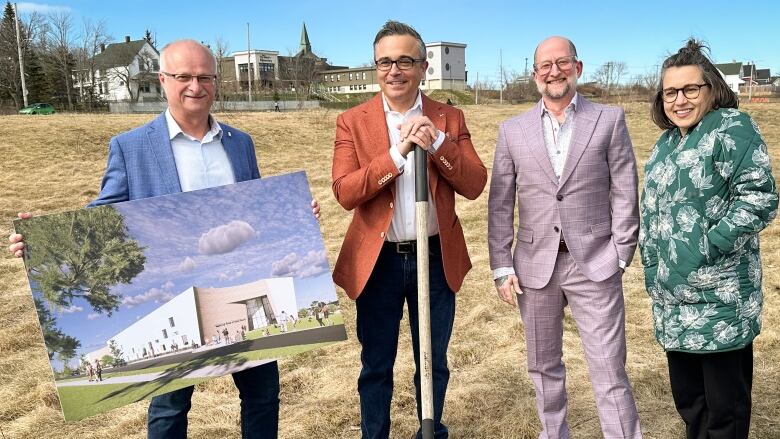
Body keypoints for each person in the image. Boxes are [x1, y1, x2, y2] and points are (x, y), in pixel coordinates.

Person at [8, 39, 320, 439]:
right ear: (163, 79)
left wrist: (295, 215)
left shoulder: (239, 143)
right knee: (170, 405)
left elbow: (254, 205)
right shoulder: (131, 146)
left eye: (205, 76)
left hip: (239, 280)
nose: (196, 85)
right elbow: (105, 212)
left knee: (263, 394)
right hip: (174, 290)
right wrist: (44, 239)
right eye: (183, 76)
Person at [332, 21, 486, 439]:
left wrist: (437, 143)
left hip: (435, 257)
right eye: (385, 61)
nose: (394, 70)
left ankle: (429, 431)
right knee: (376, 363)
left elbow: (474, 184)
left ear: (423, 66)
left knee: (432, 361)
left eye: (405, 60)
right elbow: (345, 192)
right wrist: (398, 154)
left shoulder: (448, 116)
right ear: (375, 67)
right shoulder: (352, 121)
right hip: (378, 261)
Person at [487, 36, 642, 438]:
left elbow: (626, 189)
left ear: (578, 67)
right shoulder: (512, 130)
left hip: (594, 262)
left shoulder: (609, 119)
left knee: (609, 367)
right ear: (535, 74)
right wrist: (502, 265)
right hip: (533, 268)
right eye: (544, 66)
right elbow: (500, 202)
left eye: (562, 63)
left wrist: (621, 254)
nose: (553, 71)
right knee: (543, 365)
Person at [640, 39, 778, 439]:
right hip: (672, 301)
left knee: (724, 409)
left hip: (720, 299)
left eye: (690, 89)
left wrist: (709, 244)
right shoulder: (666, 143)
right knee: (691, 402)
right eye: (670, 92)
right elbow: (652, 211)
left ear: (711, 89)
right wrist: (652, 265)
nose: (679, 100)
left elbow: (759, 197)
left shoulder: (732, 127)